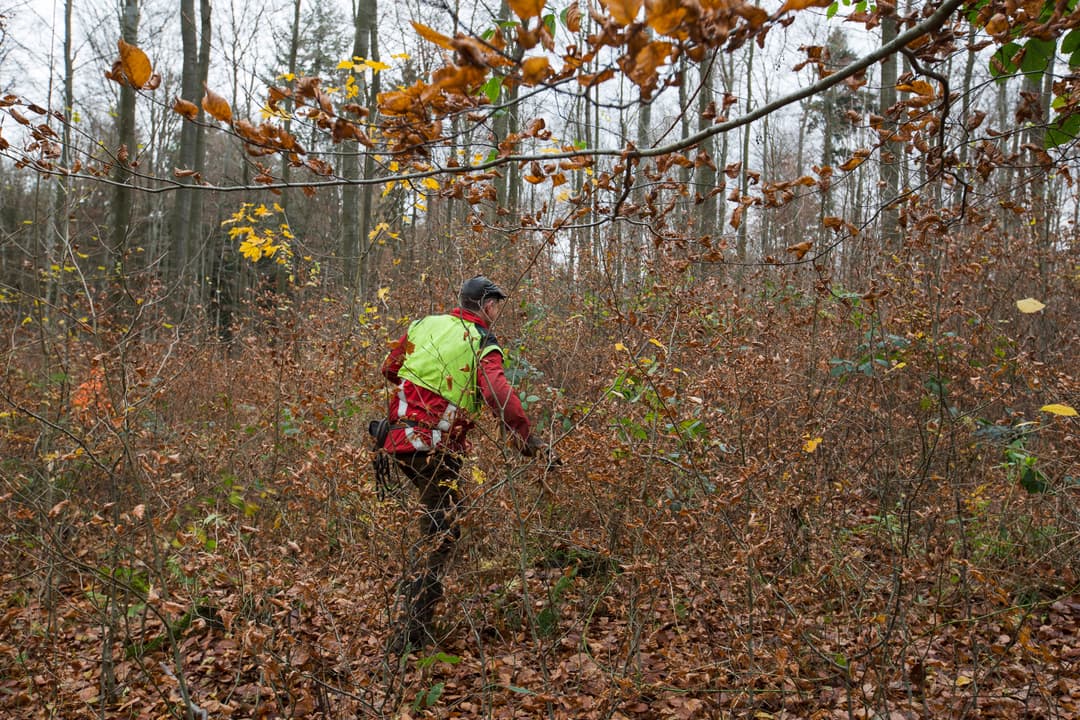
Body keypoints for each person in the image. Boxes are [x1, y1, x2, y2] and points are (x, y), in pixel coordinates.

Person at [379, 275, 546, 649]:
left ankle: (414, 622)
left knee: (441, 523)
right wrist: (524, 435)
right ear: (487, 306)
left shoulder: (425, 324)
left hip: (397, 439)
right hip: (432, 445)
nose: (497, 311)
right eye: (496, 305)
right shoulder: (482, 340)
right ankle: (409, 635)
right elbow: (497, 391)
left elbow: (391, 369)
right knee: (443, 532)